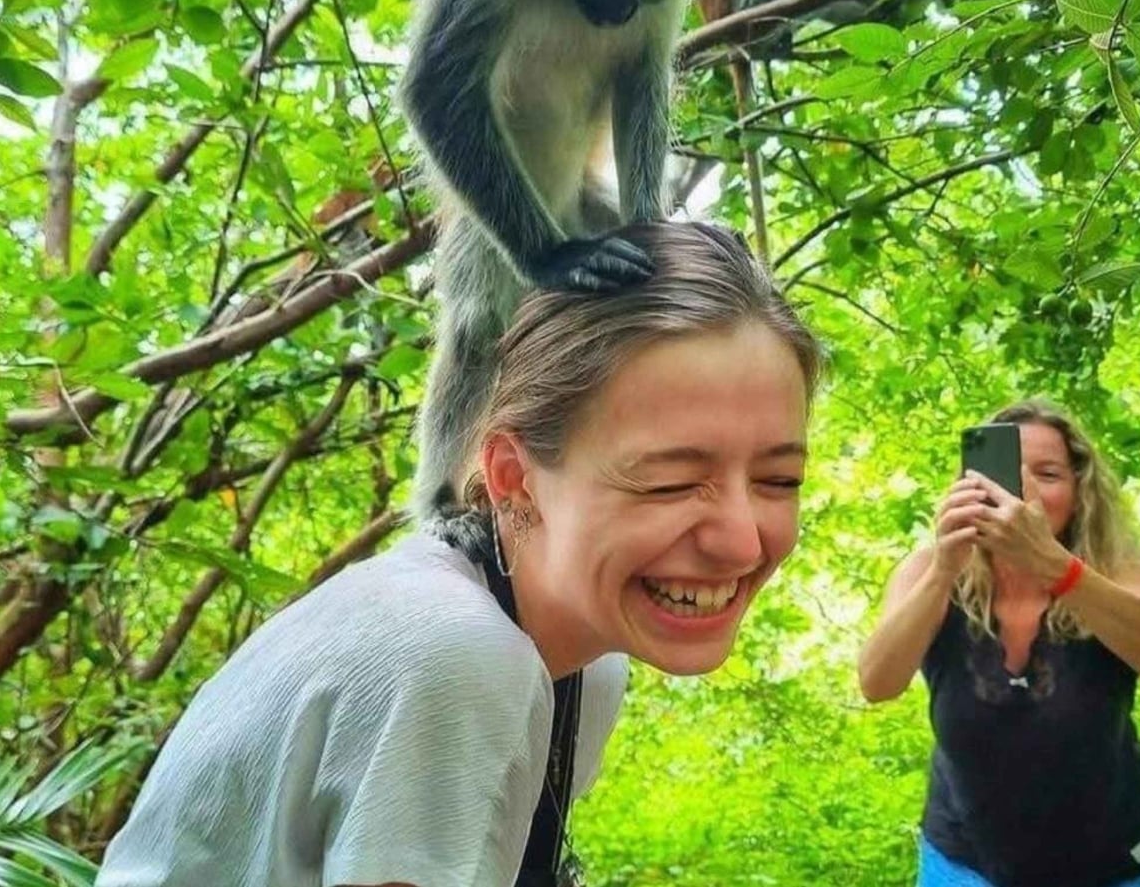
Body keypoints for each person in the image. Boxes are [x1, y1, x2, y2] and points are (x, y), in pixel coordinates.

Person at [97, 221, 823, 887]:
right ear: (511, 475)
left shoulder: (584, 663)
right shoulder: (456, 654)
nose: (741, 538)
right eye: (668, 481)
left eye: (778, 479)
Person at [858, 401, 1140, 887]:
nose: (1023, 492)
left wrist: (1057, 568)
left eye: (1048, 474)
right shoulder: (928, 570)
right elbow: (877, 683)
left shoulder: (1118, 571)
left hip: (1120, 862)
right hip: (966, 864)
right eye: (1005, 475)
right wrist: (945, 568)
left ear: (1080, 493)